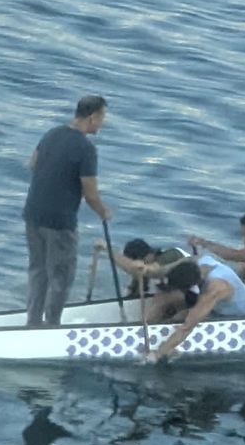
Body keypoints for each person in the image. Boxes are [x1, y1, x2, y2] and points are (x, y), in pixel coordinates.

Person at [23, 94, 110, 326]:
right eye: (102, 118)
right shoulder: (86, 149)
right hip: (60, 221)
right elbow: (90, 193)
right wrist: (103, 212)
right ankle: (52, 325)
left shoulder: (51, 134)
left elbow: (32, 164)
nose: (102, 123)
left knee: (38, 270)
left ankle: (32, 321)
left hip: (33, 213)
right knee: (61, 275)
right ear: (92, 117)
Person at [145, 255, 245, 360]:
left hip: (239, 317)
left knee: (181, 317)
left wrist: (160, 353)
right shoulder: (200, 260)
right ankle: (145, 326)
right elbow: (169, 268)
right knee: (167, 301)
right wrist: (149, 270)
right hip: (212, 302)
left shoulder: (216, 288)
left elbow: (187, 327)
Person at [111, 237, 189, 293]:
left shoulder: (170, 255)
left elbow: (155, 270)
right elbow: (136, 291)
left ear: (148, 255)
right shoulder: (145, 268)